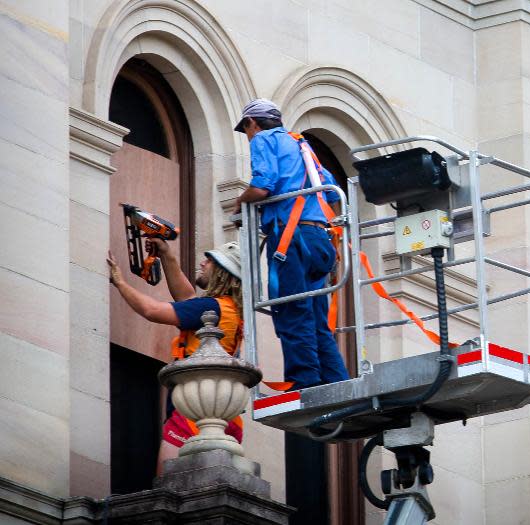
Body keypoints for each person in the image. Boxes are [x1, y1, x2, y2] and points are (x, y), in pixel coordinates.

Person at [232, 98, 349, 390]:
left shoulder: (262, 140)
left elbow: (262, 185)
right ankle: (336, 381)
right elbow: (332, 192)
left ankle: (305, 381)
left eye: (246, 129)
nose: (248, 135)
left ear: (252, 123)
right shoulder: (302, 145)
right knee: (317, 320)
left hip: (291, 240)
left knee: (293, 312)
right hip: (319, 240)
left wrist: (239, 203)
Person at [107, 239, 244, 472]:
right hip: (224, 413)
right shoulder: (228, 309)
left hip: (193, 410)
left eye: (209, 262)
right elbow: (187, 298)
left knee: (167, 487)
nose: (202, 263)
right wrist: (167, 255)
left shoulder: (211, 308)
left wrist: (120, 283)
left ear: (222, 272)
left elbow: (152, 311)